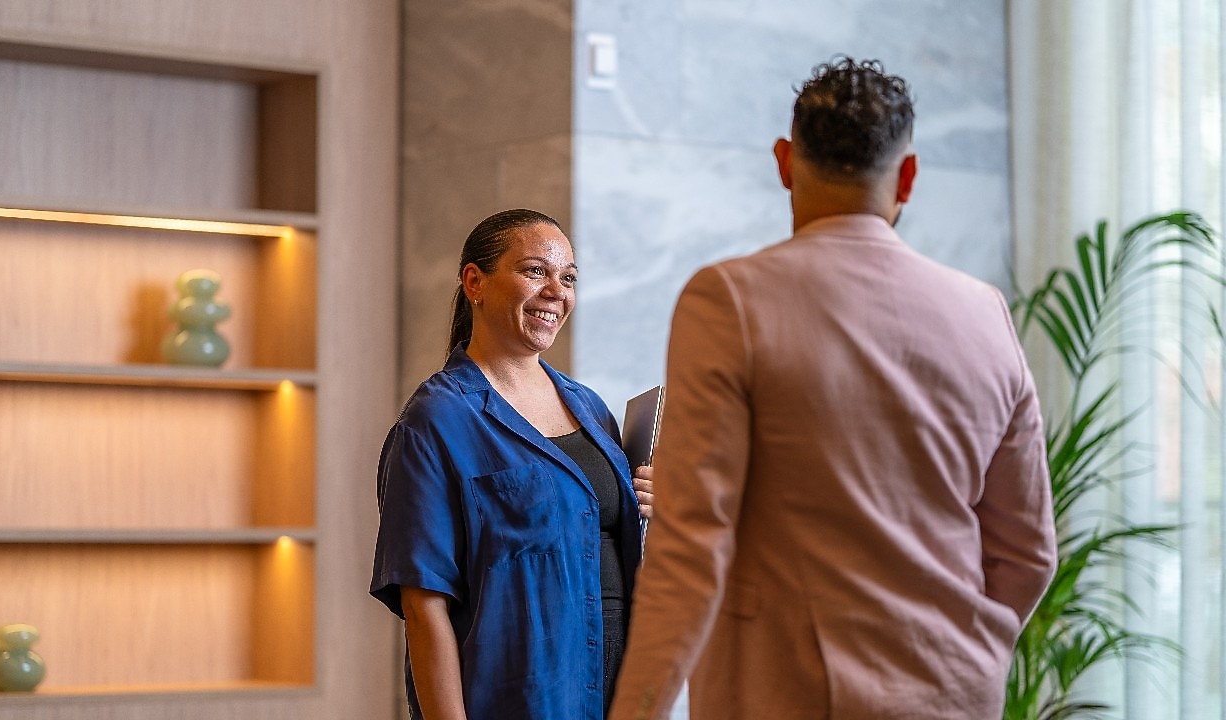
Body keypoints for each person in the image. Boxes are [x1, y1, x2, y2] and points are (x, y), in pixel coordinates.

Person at [607, 57, 1057, 720]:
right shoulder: (984, 312)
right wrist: (962, 650)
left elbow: (692, 549)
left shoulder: (729, 300)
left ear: (786, 161)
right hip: (955, 694)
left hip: (783, 692)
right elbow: (1028, 552)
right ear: (908, 175)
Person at [370, 208, 655, 719]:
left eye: (568, 277)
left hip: (621, 691)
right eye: (534, 271)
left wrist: (651, 505)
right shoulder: (436, 421)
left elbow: (601, 543)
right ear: (474, 282)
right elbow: (424, 604)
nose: (557, 291)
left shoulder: (590, 407)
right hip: (520, 698)